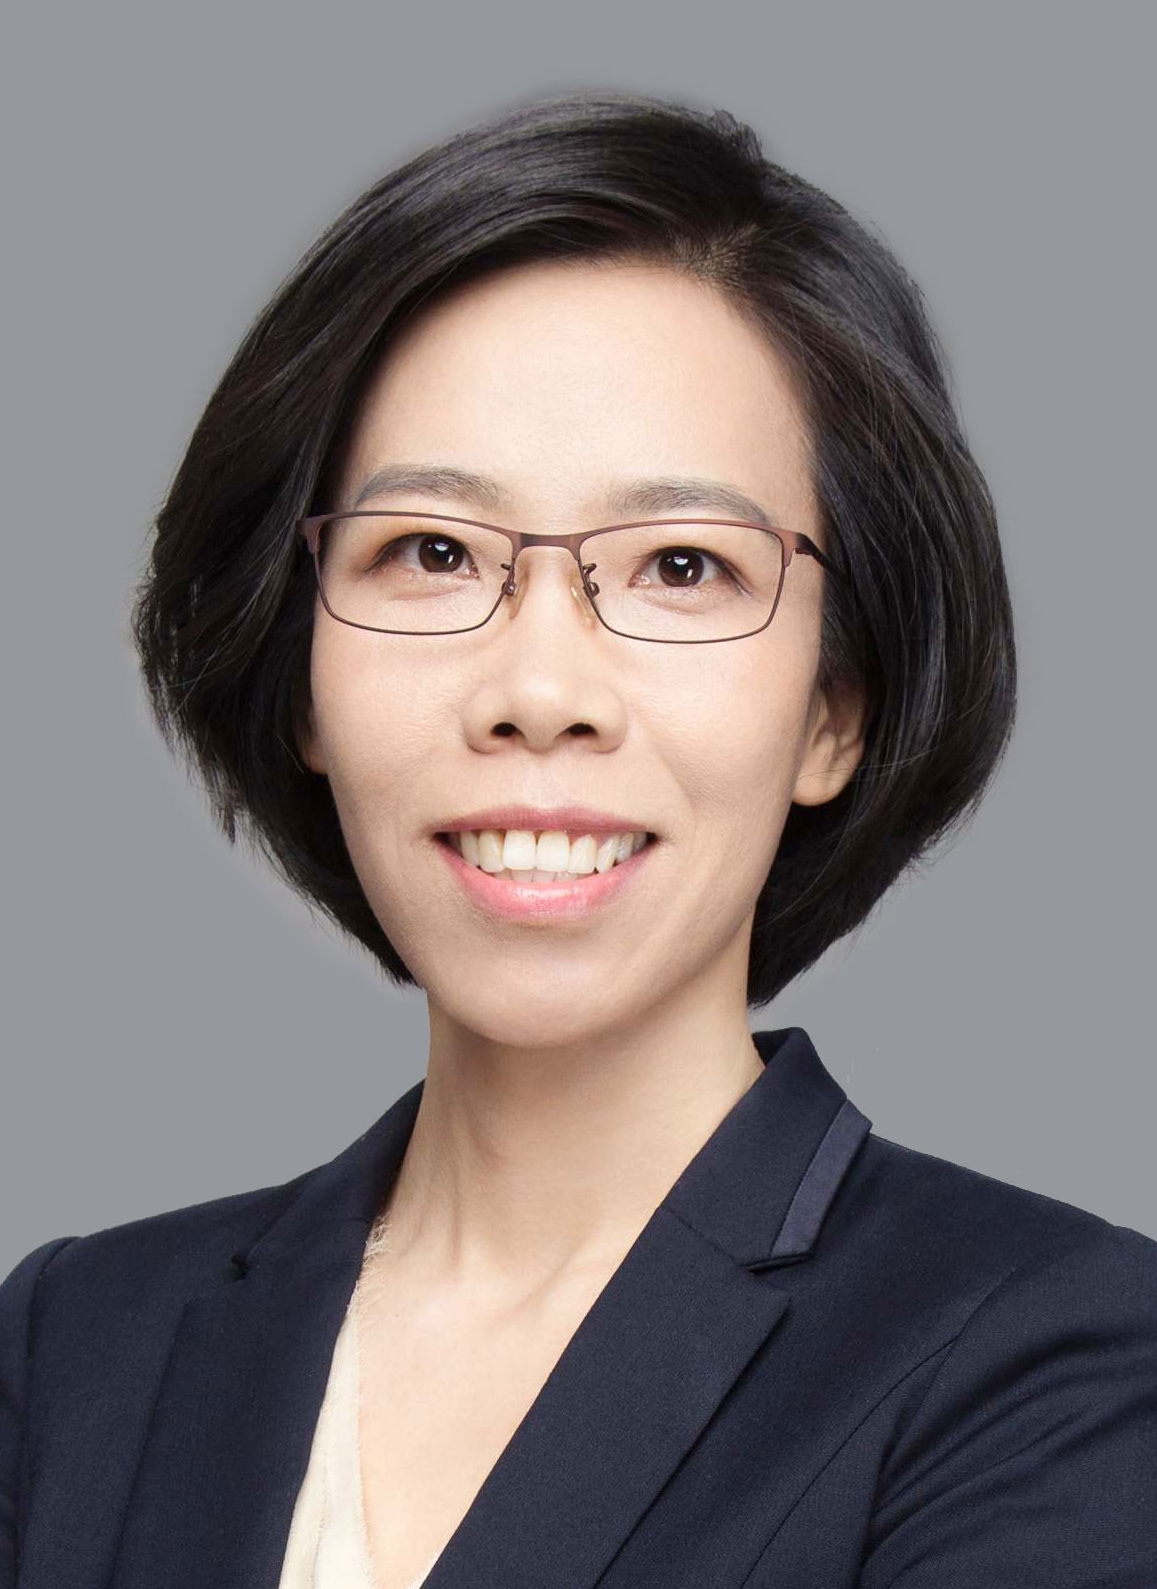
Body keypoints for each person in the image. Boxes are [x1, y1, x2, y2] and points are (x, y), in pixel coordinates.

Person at [2, 89, 1153, 1589]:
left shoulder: (1050, 1362)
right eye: (431, 551)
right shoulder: (75, 1348)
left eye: (681, 565)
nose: (540, 692)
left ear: (834, 713)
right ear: (300, 680)